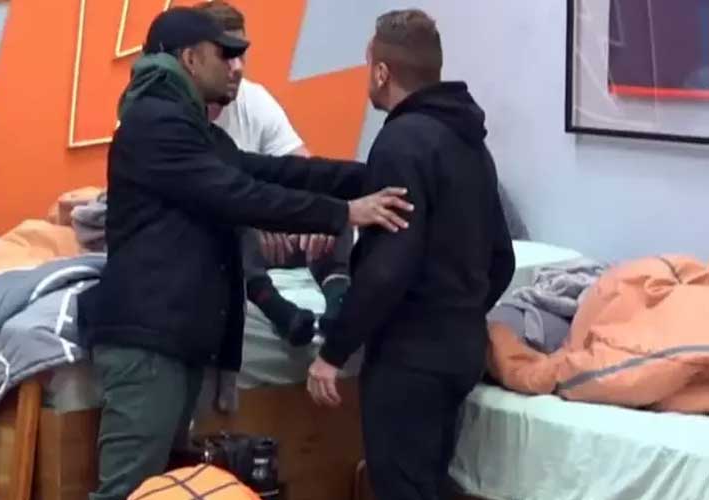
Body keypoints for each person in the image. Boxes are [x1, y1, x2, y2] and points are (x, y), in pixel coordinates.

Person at [76, 7, 413, 500]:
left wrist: (371, 173)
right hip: (148, 342)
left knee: (162, 490)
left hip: (172, 338)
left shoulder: (188, 127)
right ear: (190, 59)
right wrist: (344, 212)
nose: (236, 67)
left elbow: (275, 171)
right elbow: (237, 193)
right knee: (129, 492)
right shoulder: (156, 125)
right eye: (226, 55)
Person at [306, 9, 516, 500]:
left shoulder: (400, 143)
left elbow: (388, 268)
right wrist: (459, 312)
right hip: (461, 351)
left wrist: (332, 353)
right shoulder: (471, 144)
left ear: (382, 72)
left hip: (409, 359)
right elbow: (502, 259)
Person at [196, 0, 354, 346]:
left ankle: (337, 302)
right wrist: (258, 218)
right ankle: (275, 307)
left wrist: (319, 212)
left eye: (242, 54)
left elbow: (301, 167)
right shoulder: (175, 116)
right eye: (227, 55)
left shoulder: (254, 100)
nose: (237, 67)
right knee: (225, 221)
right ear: (197, 58)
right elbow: (209, 194)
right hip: (224, 238)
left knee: (338, 211)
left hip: (269, 227)